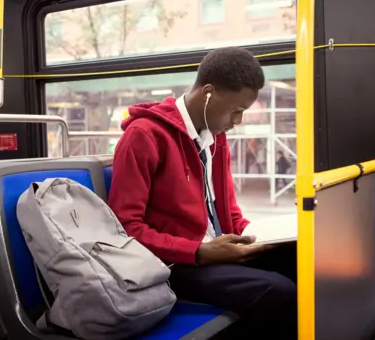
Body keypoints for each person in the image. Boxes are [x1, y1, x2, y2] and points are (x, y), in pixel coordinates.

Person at [108, 47, 296, 339]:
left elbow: (228, 210)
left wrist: (255, 234)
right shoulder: (144, 136)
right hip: (173, 264)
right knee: (280, 292)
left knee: (301, 261)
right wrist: (199, 251)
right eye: (237, 111)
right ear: (208, 93)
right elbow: (126, 230)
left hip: (211, 251)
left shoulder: (215, 137)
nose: (238, 122)